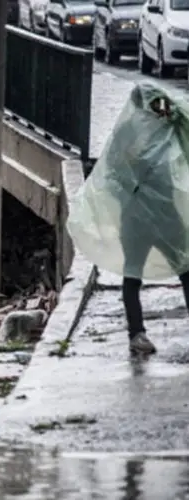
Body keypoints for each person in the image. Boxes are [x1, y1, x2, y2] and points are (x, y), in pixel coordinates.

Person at [116, 86, 189, 355]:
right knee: (185, 270)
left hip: (137, 217)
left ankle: (137, 334)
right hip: (162, 215)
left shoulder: (127, 133)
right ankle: (136, 334)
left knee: (133, 273)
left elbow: (114, 175)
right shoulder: (166, 129)